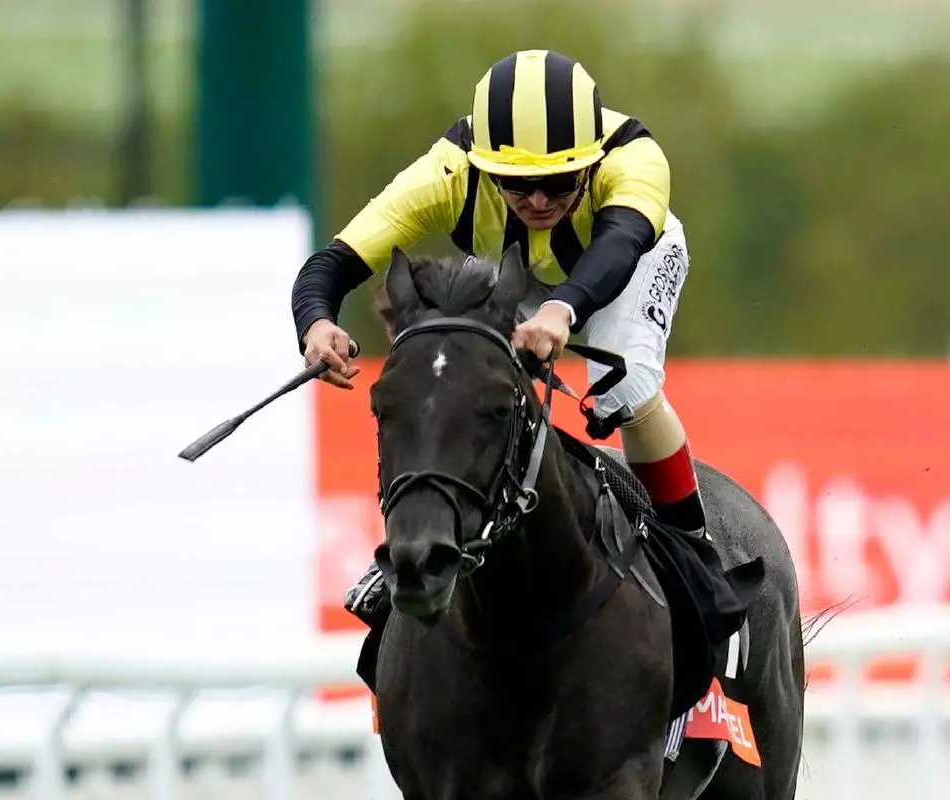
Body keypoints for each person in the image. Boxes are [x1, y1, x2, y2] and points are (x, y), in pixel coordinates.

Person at [292, 49, 711, 628]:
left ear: (591, 163)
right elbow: (332, 264)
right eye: (516, 183)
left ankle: (694, 556)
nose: (538, 201)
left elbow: (620, 245)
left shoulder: (635, 158)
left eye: (560, 181)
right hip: (521, 272)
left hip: (629, 262)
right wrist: (316, 322)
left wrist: (563, 309)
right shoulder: (446, 173)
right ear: (485, 167)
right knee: (462, 375)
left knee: (625, 386)